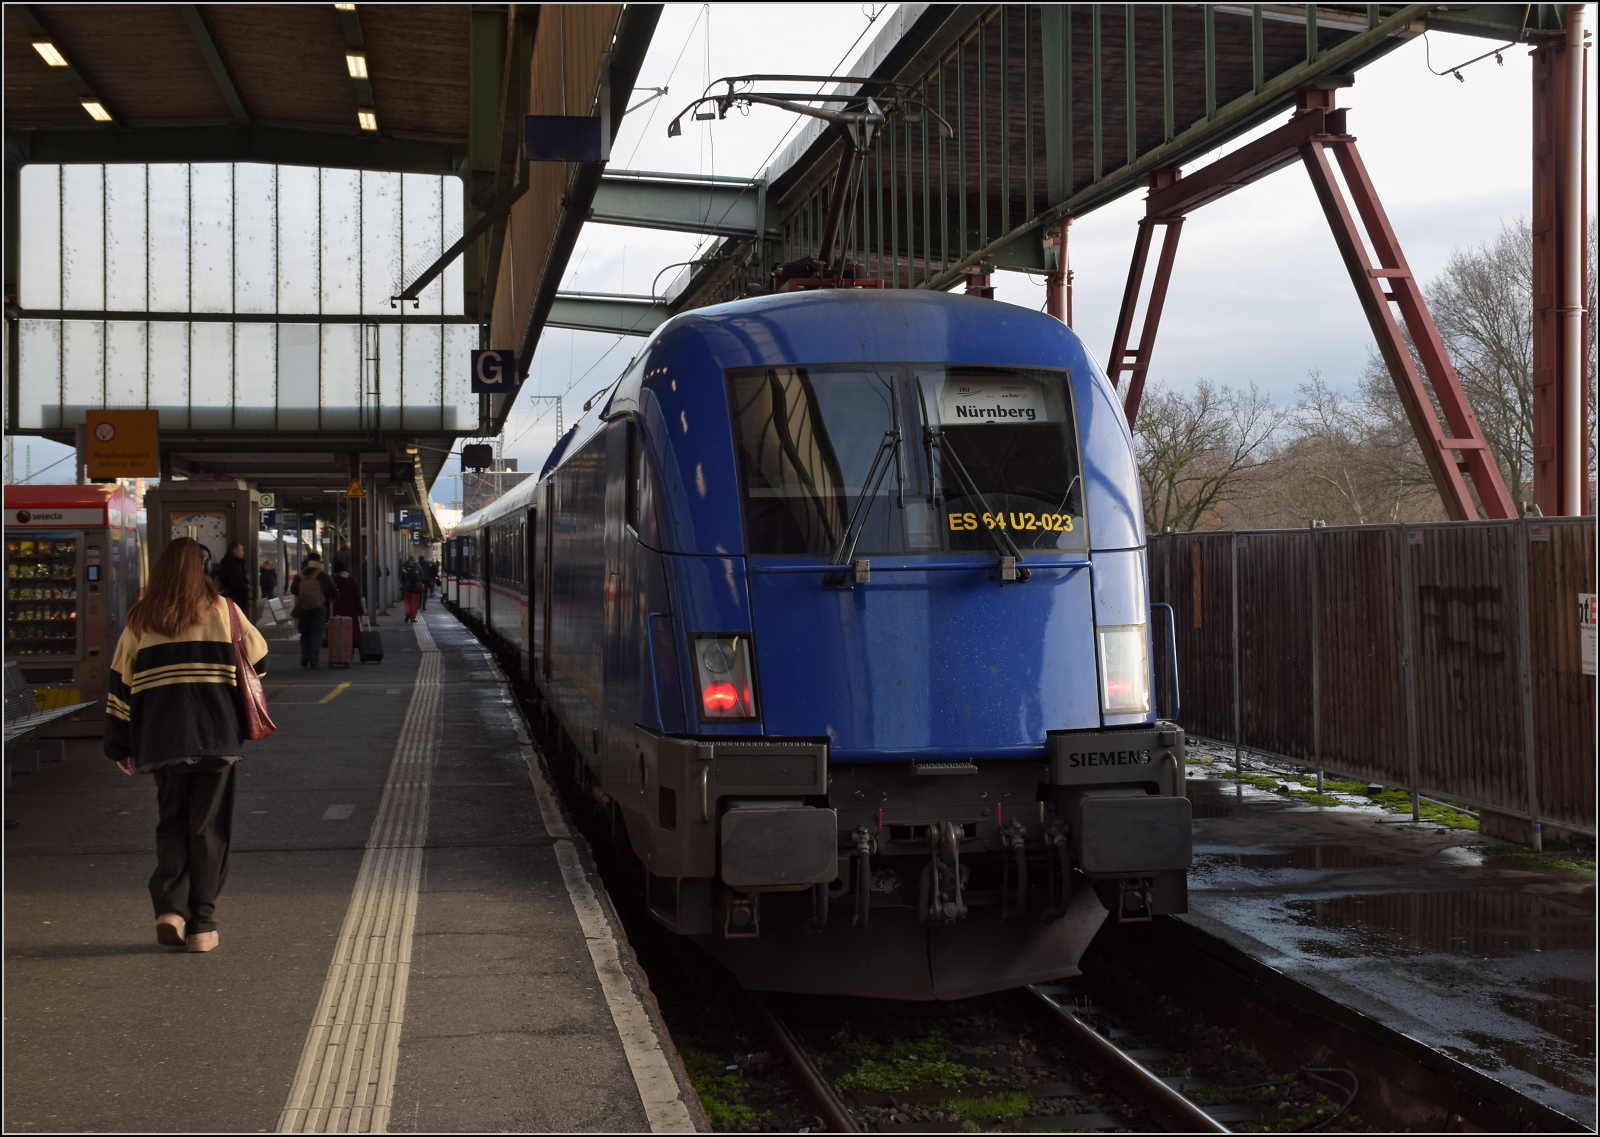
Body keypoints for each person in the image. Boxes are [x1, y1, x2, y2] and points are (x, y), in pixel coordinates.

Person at [105, 536, 269, 954]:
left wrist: (119, 744)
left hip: (161, 739)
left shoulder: (140, 618)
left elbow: (120, 686)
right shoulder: (224, 611)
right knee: (209, 829)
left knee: (172, 822)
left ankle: (170, 911)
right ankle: (202, 925)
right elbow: (260, 661)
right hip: (216, 737)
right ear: (204, 571)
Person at [289, 557, 333, 668]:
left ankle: (305, 656)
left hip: (303, 607)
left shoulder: (300, 576)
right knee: (316, 634)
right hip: (319, 608)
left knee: (305, 633)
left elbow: (293, 590)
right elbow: (332, 590)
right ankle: (314, 660)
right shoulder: (322, 575)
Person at [328, 559, 365, 649]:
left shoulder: (333, 580)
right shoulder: (351, 579)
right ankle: (349, 650)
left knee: (337, 630)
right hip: (351, 610)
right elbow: (357, 596)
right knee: (350, 630)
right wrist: (360, 610)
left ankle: (339, 650)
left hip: (337, 610)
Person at [216, 542, 251, 610]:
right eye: (241, 550)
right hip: (236, 601)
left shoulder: (226, 563)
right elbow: (236, 585)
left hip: (228, 599)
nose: (243, 552)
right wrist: (246, 587)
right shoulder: (234, 566)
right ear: (235, 551)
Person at [400, 557, 423, 623]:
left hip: (406, 588)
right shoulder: (417, 566)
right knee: (414, 603)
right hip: (415, 588)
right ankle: (412, 618)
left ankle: (407, 613)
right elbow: (421, 577)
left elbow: (401, 577)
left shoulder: (404, 566)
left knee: (407, 602)